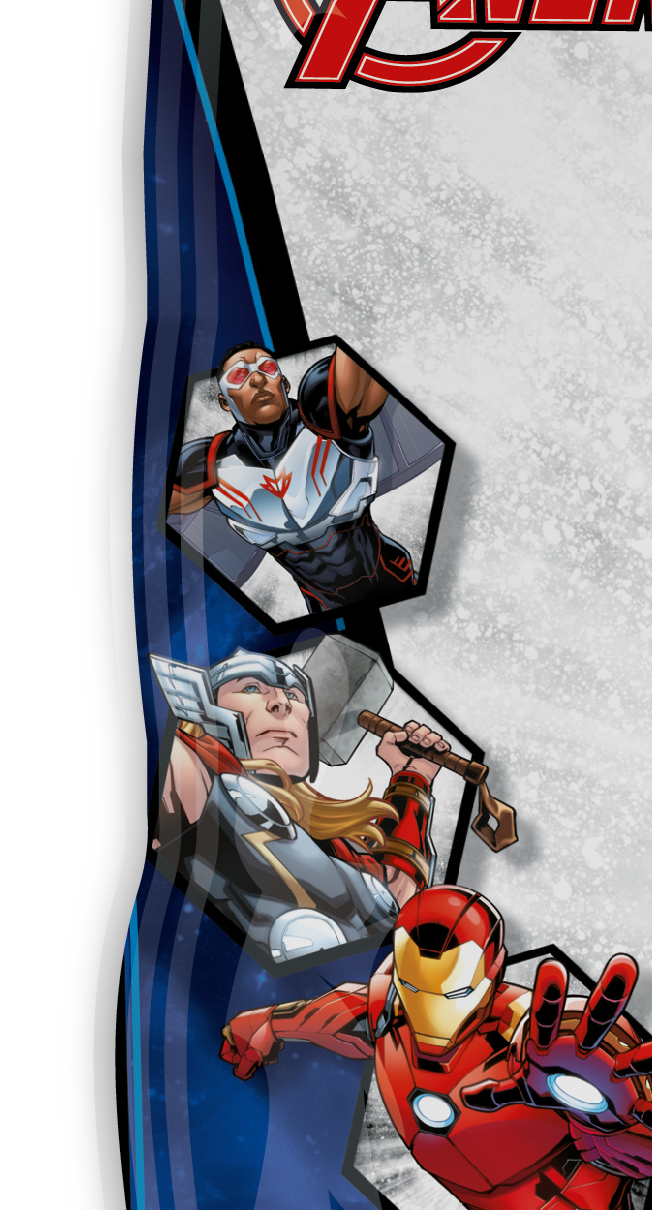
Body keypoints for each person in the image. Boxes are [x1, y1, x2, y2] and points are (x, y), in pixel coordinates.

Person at [220, 887, 652, 1210]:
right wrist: (265, 1024)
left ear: (493, 973)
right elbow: (331, 1015)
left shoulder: (536, 1042)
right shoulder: (386, 1012)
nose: (429, 1014)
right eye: (413, 986)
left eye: (454, 993)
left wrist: (624, 1110)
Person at [149, 646, 450, 964]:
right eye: (250, 688)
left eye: (295, 695)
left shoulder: (334, 844)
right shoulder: (194, 771)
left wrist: (412, 776)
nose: (282, 703)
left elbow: (398, 899)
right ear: (200, 706)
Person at [170, 343, 417, 607]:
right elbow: (144, 517)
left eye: (266, 367)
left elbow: (367, 347)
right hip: (325, 605)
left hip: (392, 577)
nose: (257, 379)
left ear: (285, 384)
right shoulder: (206, 464)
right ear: (224, 402)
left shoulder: (326, 413)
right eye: (239, 375)